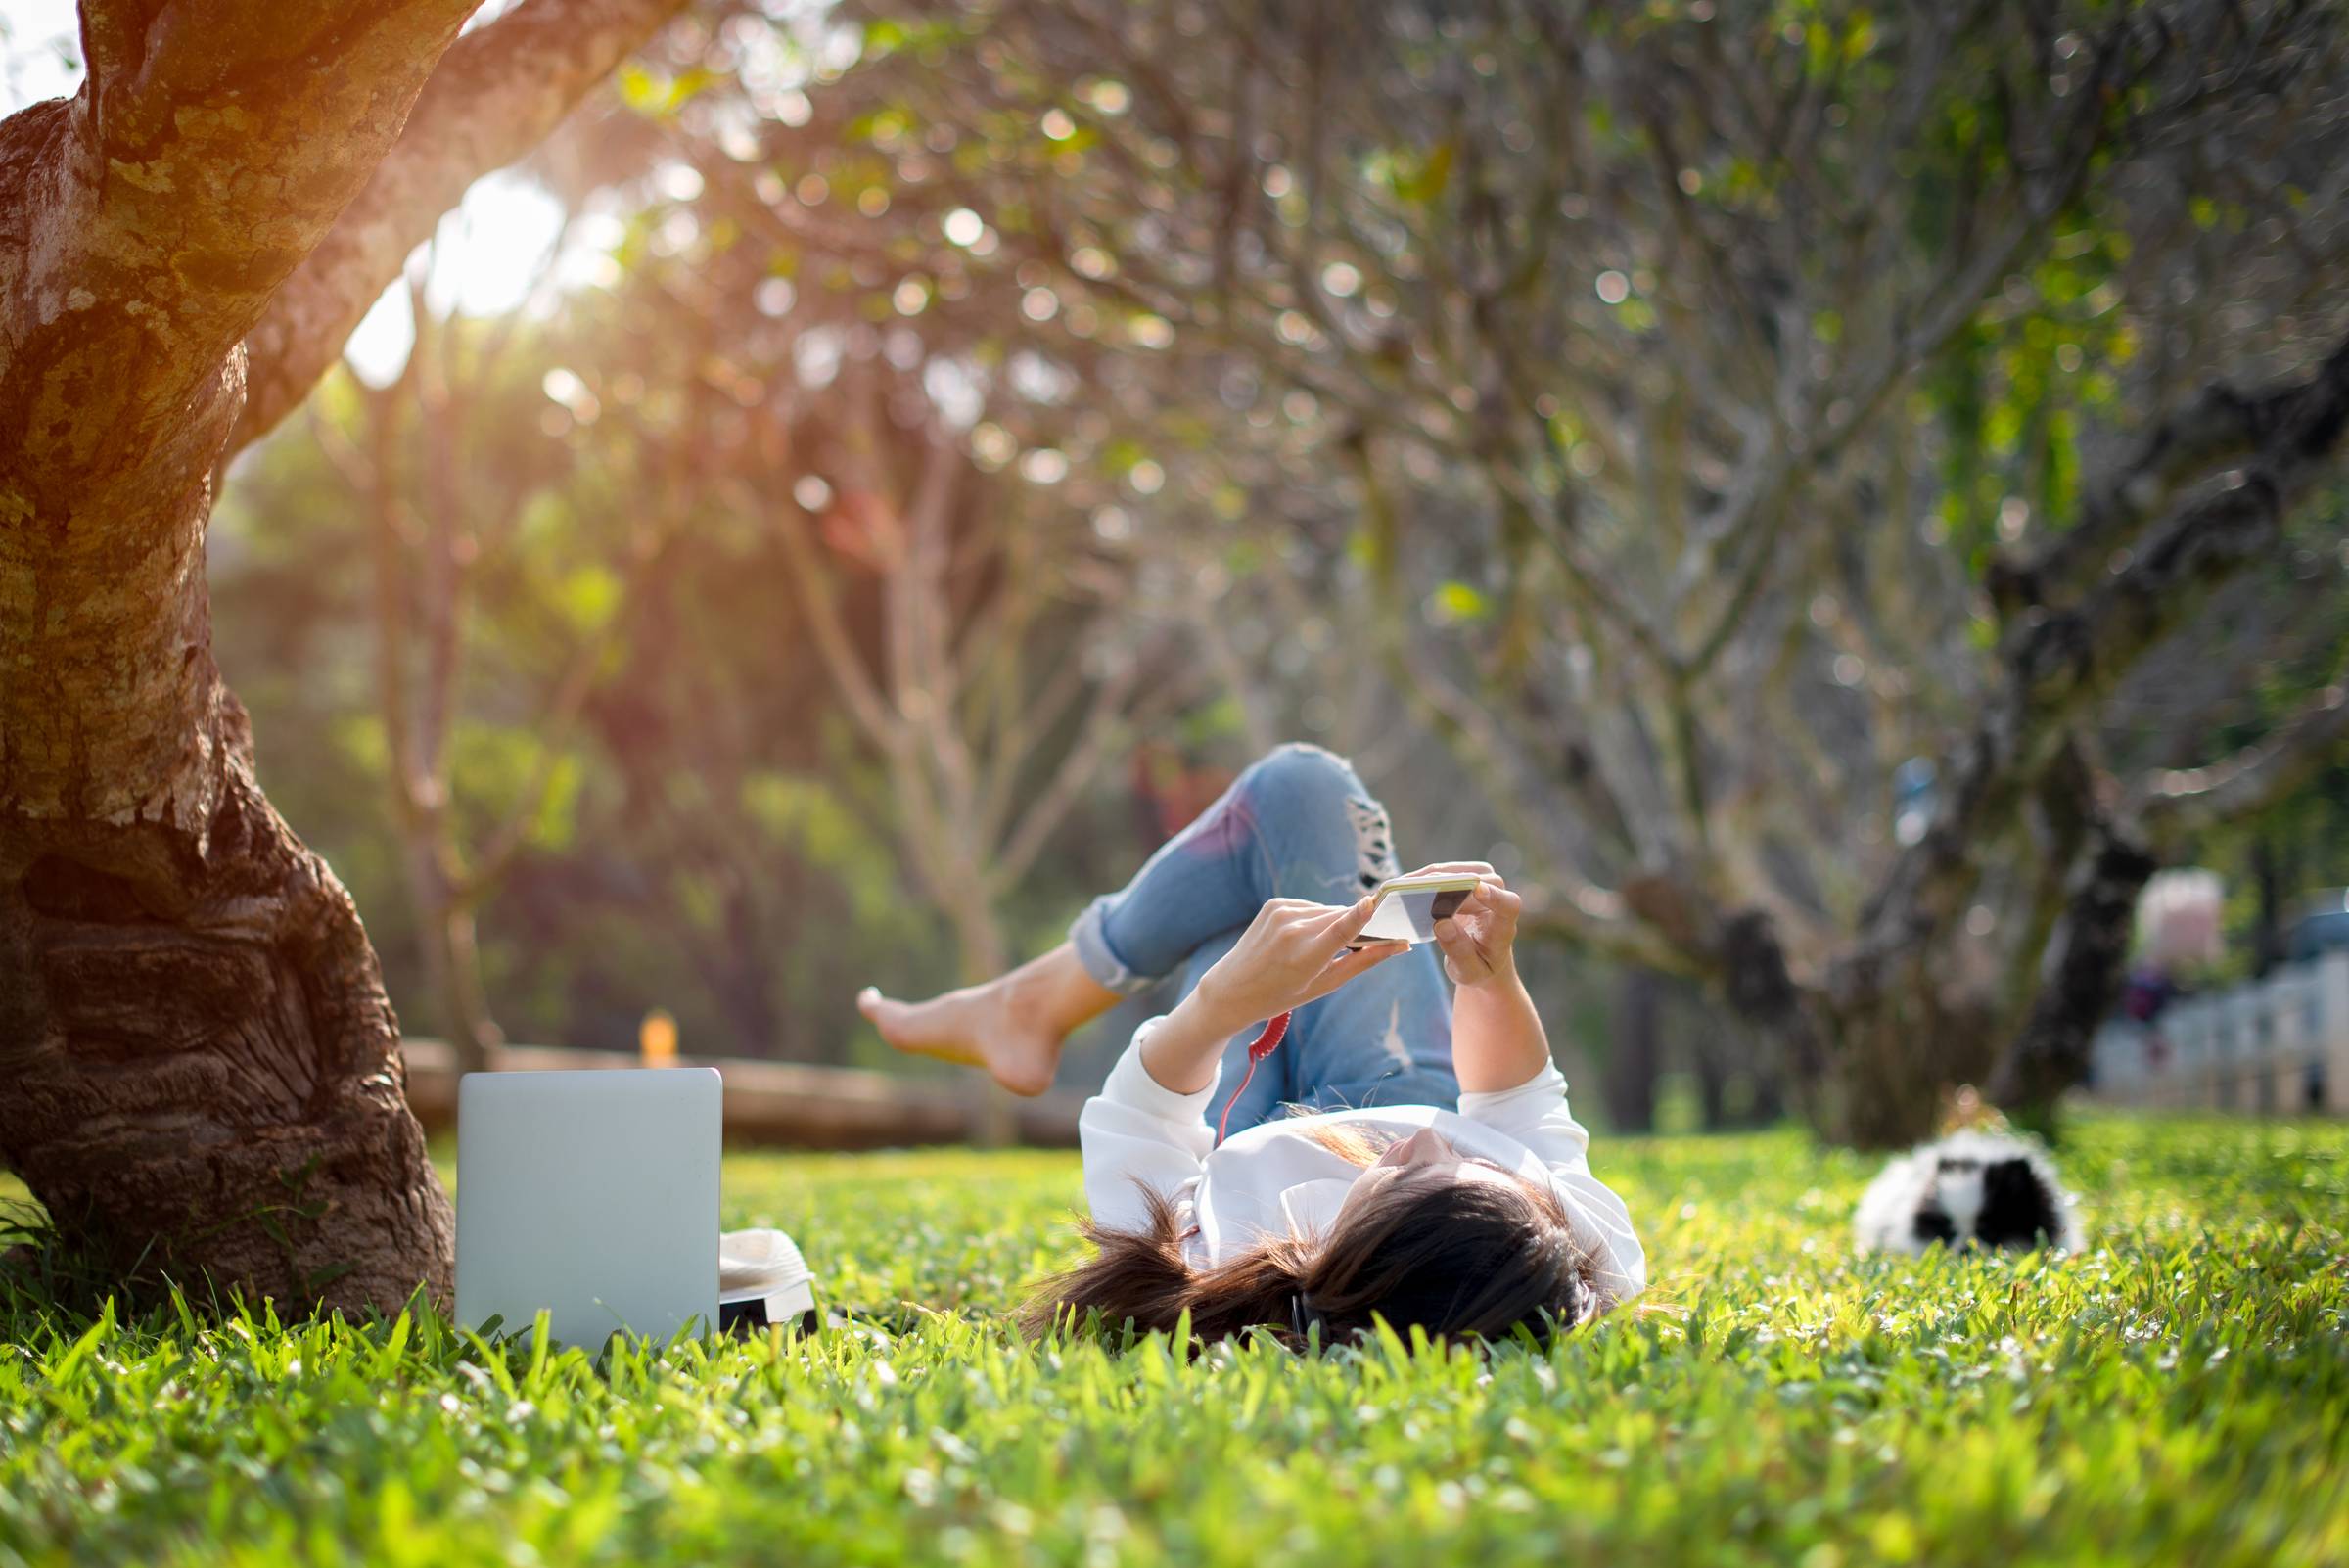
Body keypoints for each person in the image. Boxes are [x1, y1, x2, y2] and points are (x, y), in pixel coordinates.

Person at [857, 743, 1645, 1346]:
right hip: (1397, 1072)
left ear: (1356, 1256)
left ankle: (1032, 1005)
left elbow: (1140, 1122)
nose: (1431, 1139)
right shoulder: (1571, 1248)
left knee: (1235, 933)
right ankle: (1030, 1006)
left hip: (1244, 1124)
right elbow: (1518, 1107)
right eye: (1476, 1167)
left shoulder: (1216, 1257)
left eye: (1411, 1174)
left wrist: (1218, 1007)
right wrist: (1488, 979)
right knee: (1303, 789)